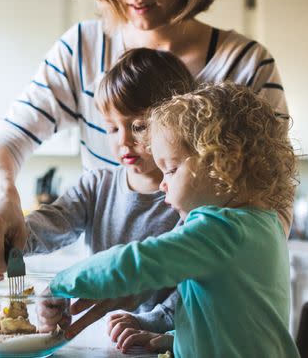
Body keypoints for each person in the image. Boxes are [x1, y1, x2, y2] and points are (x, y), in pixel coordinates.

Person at [0, 0, 292, 335]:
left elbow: (270, 209)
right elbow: (9, 143)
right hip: (113, 329)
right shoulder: (81, 50)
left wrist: (157, 310)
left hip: (204, 330)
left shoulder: (247, 67)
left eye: (139, 127)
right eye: (112, 128)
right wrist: (6, 210)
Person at [49, 81, 300, 357]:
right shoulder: (267, 224)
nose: (161, 184)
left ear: (222, 164)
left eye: (170, 170)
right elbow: (238, 323)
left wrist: (60, 284)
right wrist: (174, 339)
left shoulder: (220, 230)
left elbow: (137, 262)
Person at [21, 47, 194, 334]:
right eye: (113, 129)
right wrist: (13, 237)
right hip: (108, 340)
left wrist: (149, 322)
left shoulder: (192, 198)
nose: (123, 141)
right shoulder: (97, 185)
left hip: (171, 342)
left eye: (138, 126)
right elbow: (54, 222)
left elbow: (195, 289)